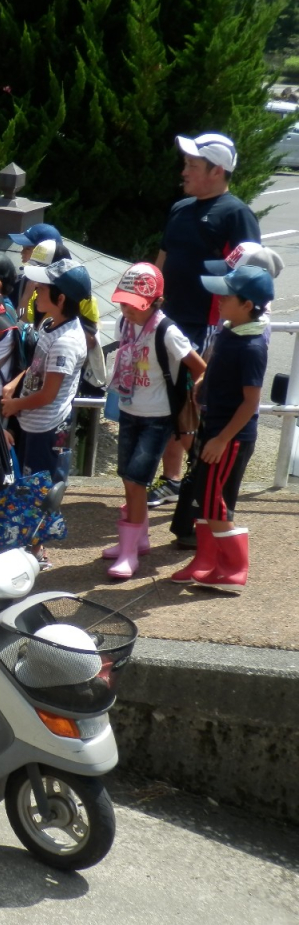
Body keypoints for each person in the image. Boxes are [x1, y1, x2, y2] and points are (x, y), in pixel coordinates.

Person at [151, 133, 261, 513]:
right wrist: (152, 304)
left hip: (207, 327)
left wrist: (229, 333)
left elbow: (250, 274)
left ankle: (200, 483)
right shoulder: (180, 208)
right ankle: (172, 480)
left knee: (194, 406)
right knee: (167, 403)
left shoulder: (236, 214)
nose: (184, 171)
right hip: (167, 322)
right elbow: (164, 257)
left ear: (217, 171)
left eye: (193, 166)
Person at [170, 265, 271, 591]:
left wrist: (223, 439)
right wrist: (203, 377)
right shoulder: (231, 329)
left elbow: (250, 403)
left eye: (227, 295)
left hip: (230, 436)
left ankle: (234, 565)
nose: (220, 299)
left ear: (247, 304)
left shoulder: (252, 346)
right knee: (203, 495)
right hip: (212, 426)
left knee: (215, 500)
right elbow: (214, 360)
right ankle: (206, 560)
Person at [103, 262, 206, 579]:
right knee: (127, 477)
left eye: (134, 305)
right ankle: (137, 539)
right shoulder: (126, 324)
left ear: (154, 302)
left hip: (158, 417)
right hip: (130, 409)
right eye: (123, 303)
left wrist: (194, 398)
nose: (127, 310)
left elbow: (198, 367)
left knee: (137, 480)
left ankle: (130, 551)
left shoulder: (167, 331)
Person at [1, 258, 90, 493]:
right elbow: (38, 365)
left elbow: (49, 394)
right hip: (32, 423)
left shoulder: (66, 342)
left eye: (41, 289)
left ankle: (44, 530)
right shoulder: (50, 323)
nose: (35, 294)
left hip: (47, 429)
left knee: (41, 492)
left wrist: (15, 404)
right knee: (26, 488)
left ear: (60, 299)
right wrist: (16, 382)